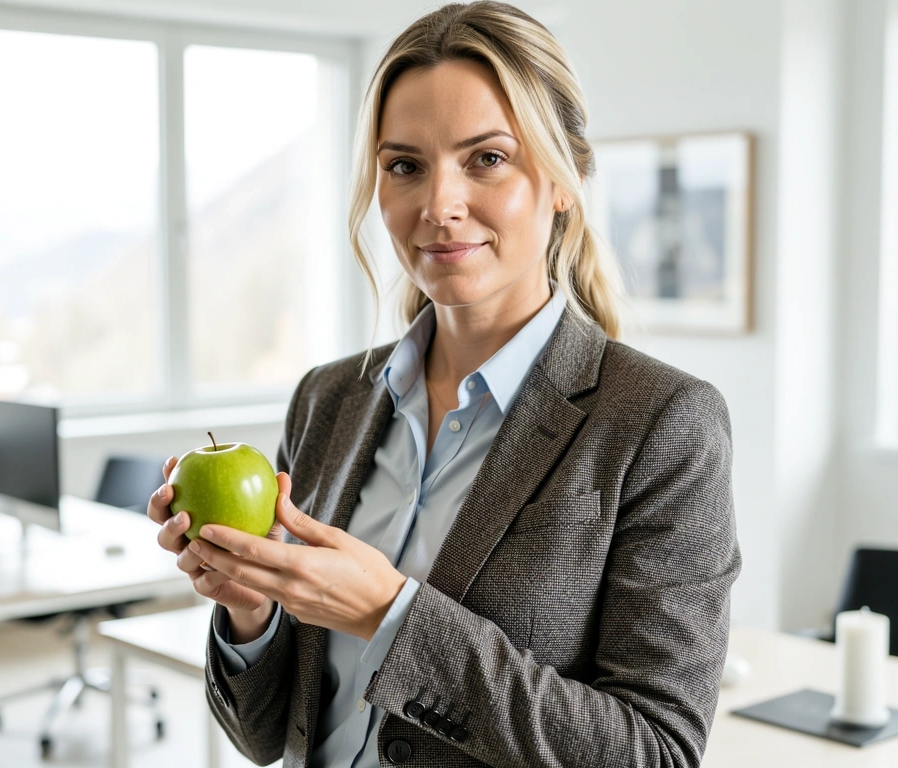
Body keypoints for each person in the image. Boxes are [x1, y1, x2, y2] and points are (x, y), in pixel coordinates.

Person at [148, 2, 741, 766]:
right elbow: (266, 738)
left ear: (563, 180)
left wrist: (389, 614)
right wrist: (251, 610)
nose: (438, 206)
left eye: (486, 159)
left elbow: (654, 751)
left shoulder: (661, 425)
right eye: (405, 166)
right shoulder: (327, 401)